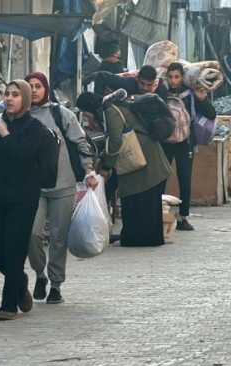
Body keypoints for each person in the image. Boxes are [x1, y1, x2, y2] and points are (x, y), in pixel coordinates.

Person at [0, 79, 58, 321]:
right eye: (7, 94)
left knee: (15, 249)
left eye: (15, 94)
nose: (9, 98)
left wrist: (6, 135)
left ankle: (8, 305)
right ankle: (20, 282)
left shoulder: (36, 130)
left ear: (26, 100)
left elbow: (22, 157)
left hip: (23, 198)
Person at [25, 72, 96, 304]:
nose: (34, 90)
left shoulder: (61, 113)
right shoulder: (20, 116)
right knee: (32, 234)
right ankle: (40, 274)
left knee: (58, 237)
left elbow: (80, 142)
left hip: (63, 184)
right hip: (33, 187)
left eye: (38, 86)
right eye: (30, 86)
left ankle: (56, 284)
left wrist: (89, 171)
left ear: (46, 88)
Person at [102, 98, 171, 247]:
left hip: (140, 160)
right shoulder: (124, 107)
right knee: (150, 203)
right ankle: (152, 239)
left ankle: (133, 239)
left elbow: (115, 141)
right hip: (152, 159)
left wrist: (106, 165)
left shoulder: (111, 111)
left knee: (135, 200)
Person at [163, 62, 217, 231]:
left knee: (185, 180)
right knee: (160, 178)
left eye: (177, 77)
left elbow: (211, 114)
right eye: (170, 77)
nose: (173, 81)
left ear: (182, 77)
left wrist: (203, 99)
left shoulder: (191, 94)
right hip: (165, 142)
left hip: (185, 143)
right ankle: (158, 214)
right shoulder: (161, 93)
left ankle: (183, 217)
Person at [91, 65, 168, 99]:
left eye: (149, 85)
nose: (145, 88)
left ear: (154, 83)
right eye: (142, 83)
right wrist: (99, 104)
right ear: (137, 79)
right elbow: (102, 76)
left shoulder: (161, 90)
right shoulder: (129, 84)